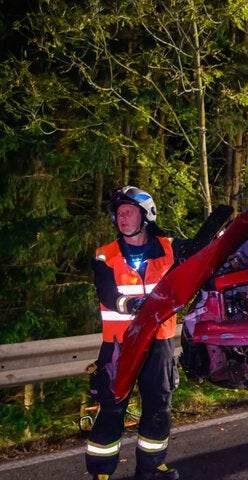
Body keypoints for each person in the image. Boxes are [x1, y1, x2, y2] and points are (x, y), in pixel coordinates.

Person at [86, 186, 186, 480]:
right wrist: (130, 304)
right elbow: (107, 294)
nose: (122, 218)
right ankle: (101, 473)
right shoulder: (105, 255)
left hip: (159, 342)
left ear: (146, 215)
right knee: (112, 407)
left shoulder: (170, 248)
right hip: (119, 345)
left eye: (128, 212)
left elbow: (201, 261)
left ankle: (151, 468)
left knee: (158, 406)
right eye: (119, 213)